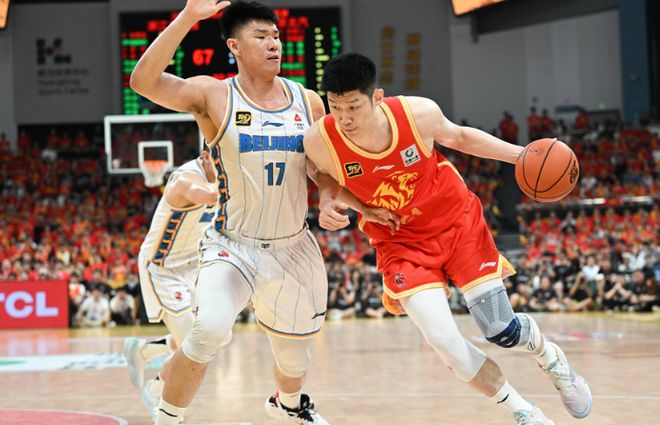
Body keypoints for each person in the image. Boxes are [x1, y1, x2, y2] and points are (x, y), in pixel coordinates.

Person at [303, 53, 592, 425]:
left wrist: (521, 156)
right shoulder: (321, 139)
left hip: (456, 224)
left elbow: (460, 137)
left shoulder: (416, 115)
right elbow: (322, 174)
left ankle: (551, 360)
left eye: (353, 107)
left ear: (377, 97)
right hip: (400, 242)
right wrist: (335, 202)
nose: (344, 118)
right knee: (442, 340)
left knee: (500, 329)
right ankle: (524, 412)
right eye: (335, 106)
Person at [129, 1, 329, 424]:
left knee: (295, 360)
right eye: (261, 36)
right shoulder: (214, 94)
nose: (274, 44)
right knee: (207, 332)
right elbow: (142, 82)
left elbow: (321, 166)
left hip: (292, 246)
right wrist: (187, 17)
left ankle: (287, 406)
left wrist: (329, 197)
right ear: (234, 46)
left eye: (276, 36)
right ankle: (167, 419)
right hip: (232, 246)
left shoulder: (308, 101)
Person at [123, 152, 217, 419]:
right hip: (162, 267)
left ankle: (145, 351)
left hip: (193, 265)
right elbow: (209, 195)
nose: (227, 161)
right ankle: (158, 394)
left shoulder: (224, 176)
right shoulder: (184, 180)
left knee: (219, 334)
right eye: (222, 156)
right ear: (206, 156)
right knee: (193, 348)